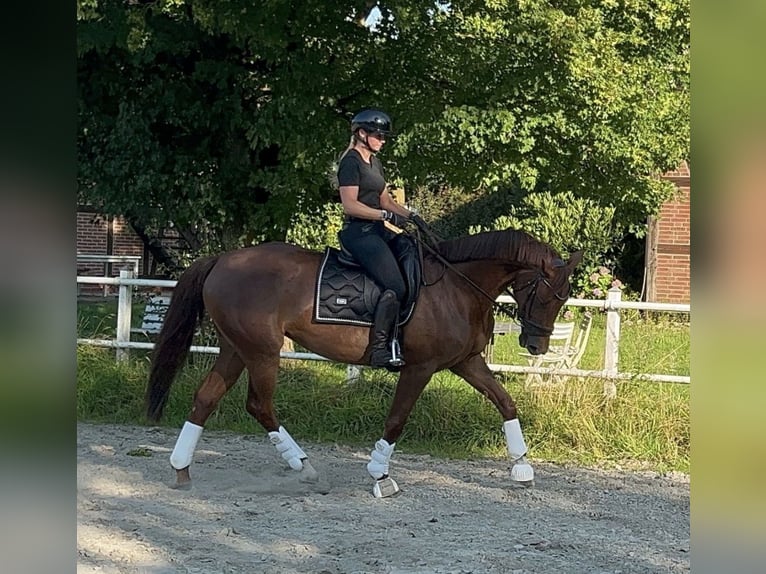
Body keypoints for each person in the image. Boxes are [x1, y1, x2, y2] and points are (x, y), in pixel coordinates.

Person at [336, 109, 414, 367]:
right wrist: (384, 216)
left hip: (377, 230)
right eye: (379, 135)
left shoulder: (375, 163)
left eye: (384, 136)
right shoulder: (351, 161)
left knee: (414, 255)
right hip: (358, 233)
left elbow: (385, 200)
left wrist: (412, 216)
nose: (383, 140)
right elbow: (350, 205)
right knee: (396, 285)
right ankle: (380, 348)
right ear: (362, 134)